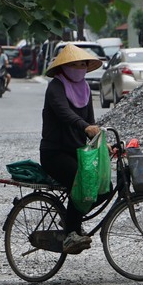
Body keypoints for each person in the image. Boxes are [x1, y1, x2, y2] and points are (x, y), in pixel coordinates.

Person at [39, 43, 104, 254]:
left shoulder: (85, 89)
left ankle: (71, 221)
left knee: (103, 185)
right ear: (65, 67)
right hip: (54, 153)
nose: (80, 67)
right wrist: (85, 127)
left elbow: (91, 122)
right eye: (76, 64)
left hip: (77, 151)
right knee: (81, 180)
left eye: (84, 64)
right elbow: (65, 113)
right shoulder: (55, 87)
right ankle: (70, 233)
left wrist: (103, 142)